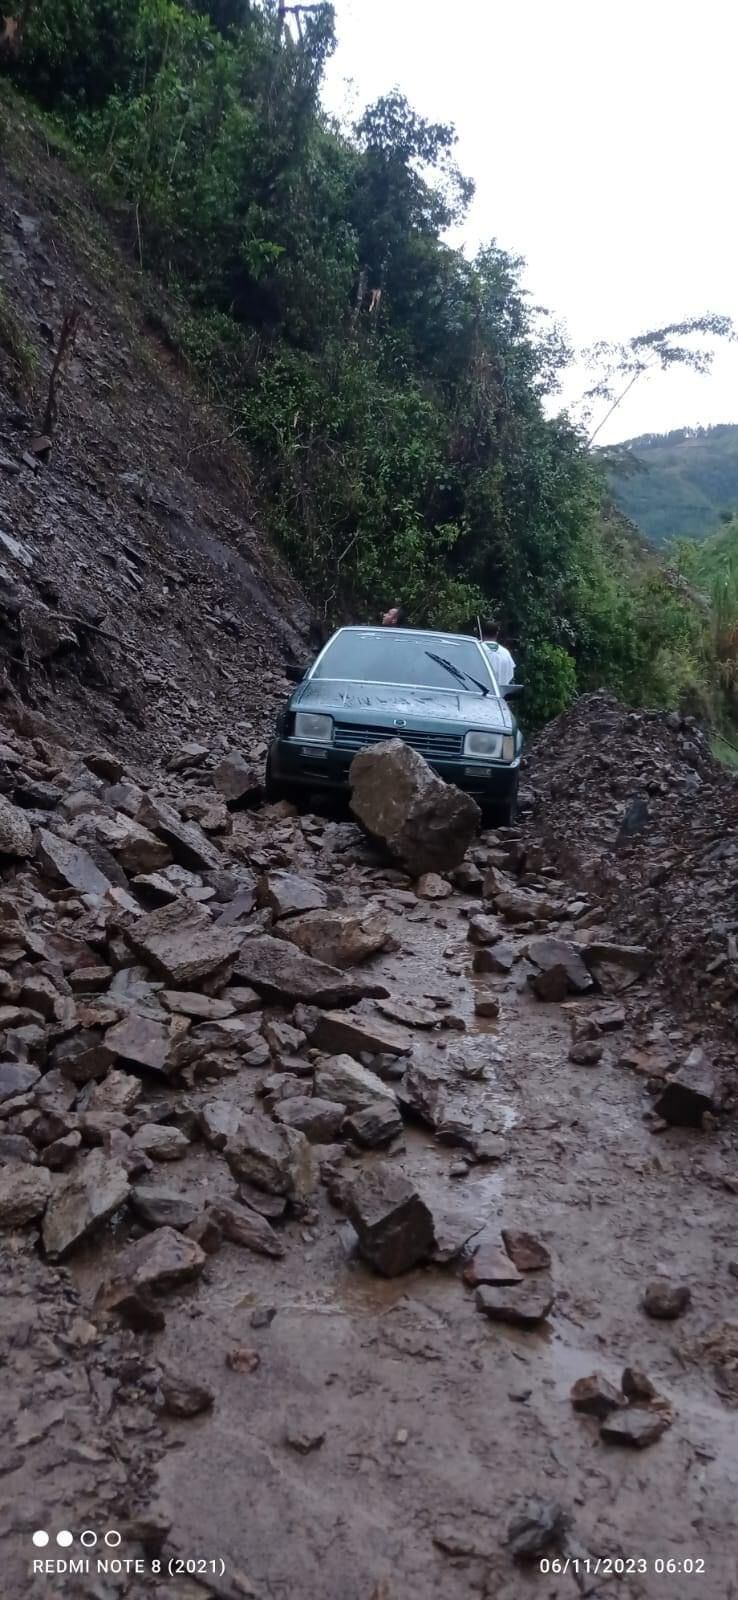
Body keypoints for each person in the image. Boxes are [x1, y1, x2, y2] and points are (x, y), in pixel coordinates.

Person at [482, 621, 516, 689]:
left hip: (480, 692)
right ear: (497, 633)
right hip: (501, 693)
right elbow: (511, 675)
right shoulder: (505, 653)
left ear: (482, 632)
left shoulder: (477, 650)